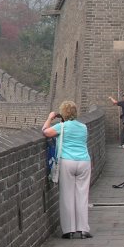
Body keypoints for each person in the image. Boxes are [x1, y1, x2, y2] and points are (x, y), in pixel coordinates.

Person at [42, 101, 92, 239]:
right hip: (84, 161)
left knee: (67, 196)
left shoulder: (61, 127)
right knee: (82, 195)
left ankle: (69, 230)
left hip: (67, 161)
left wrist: (50, 118)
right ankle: (83, 229)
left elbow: (45, 132)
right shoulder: (83, 127)